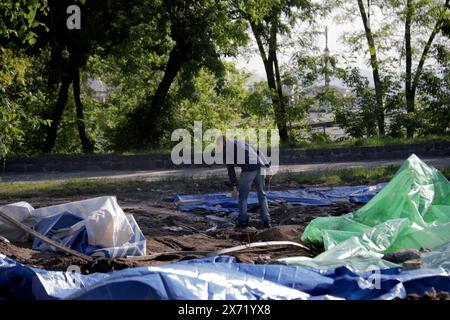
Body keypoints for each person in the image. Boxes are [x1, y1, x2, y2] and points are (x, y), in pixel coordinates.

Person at [216, 135, 272, 229]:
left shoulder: (226, 149)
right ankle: (267, 221)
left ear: (222, 143)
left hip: (248, 169)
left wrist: (234, 187)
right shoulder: (242, 141)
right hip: (260, 166)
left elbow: (230, 169)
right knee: (262, 195)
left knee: (243, 197)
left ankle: (243, 221)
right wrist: (268, 167)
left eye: (219, 146)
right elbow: (258, 151)